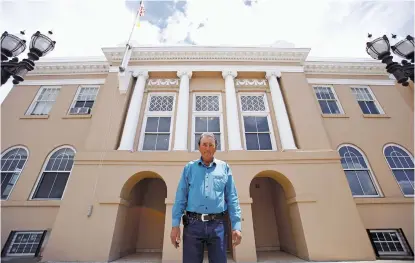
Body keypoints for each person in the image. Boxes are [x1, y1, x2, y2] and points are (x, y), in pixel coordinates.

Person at [170, 132, 242, 263]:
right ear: (199, 147)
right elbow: (180, 197)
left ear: (215, 148)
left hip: (218, 225)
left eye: (211, 145)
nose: (207, 148)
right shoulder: (189, 168)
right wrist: (175, 226)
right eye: (204, 144)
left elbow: (232, 198)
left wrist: (236, 226)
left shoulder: (224, 168)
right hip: (192, 225)